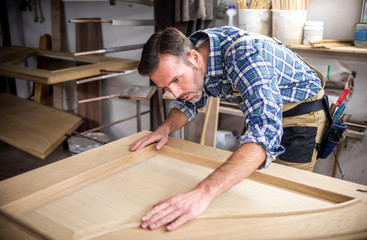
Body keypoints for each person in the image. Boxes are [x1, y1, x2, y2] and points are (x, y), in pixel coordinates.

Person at [129, 26, 328, 232]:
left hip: (301, 115)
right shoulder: (192, 59)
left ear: (194, 57)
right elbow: (188, 103)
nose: (176, 92)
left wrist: (201, 193)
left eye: (176, 80)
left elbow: (264, 131)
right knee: (250, 187)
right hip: (265, 109)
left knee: (284, 197)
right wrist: (164, 129)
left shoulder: (245, 56)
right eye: (167, 88)